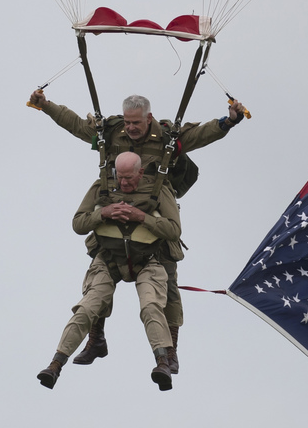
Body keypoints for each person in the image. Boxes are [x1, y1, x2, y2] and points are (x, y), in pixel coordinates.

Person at [28, 90, 245, 375]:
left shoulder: (167, 138)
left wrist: (227, 122)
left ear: (149, 118)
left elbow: (200, 135)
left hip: (153, 213)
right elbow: (77, 126)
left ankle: (169, 353)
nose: (131, 128)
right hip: (114, 217)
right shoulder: (111, 134)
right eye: (128, 122)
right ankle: (95, 339)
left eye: (136, 123)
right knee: (97, 284)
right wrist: (45, 106)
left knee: (166, 288)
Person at [38, 152, 180, 392]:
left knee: (151, 306)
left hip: (148, 259)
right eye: (120, 177)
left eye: (129, 178)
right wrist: (103, 213)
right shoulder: (101, 187)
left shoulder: (159, 188)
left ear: (141, 173)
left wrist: (141, 217)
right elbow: (78, 224)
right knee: (87, 307)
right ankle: (55, 365)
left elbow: (174, 230)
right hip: (109, 259)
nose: (124, 183)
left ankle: (163, 362)